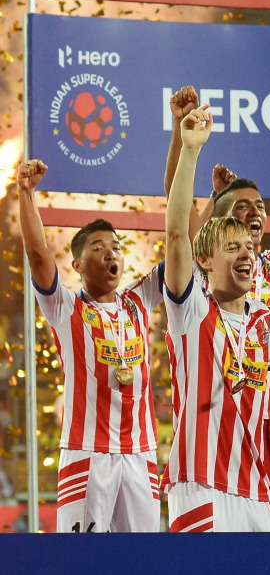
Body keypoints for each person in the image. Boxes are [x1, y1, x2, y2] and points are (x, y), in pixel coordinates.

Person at [164, 84, 270, 531]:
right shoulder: (192, 308)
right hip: (201, 481)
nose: (246, 253)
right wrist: (188, 148)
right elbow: (178, 232)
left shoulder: (261, 319)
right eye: (232, 246)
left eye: (249, 246)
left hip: (255, 483)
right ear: (206, 259)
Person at [19, 161, 165, 533]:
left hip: (141, 453)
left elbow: (183, 247)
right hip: (87, 454)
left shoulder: (139, 300)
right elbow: (37, 256)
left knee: (143, 558)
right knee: (81, 558)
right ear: (78, 264)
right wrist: (26, 193)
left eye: (116, 247)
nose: (111, 254)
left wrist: (212, 199)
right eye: (98, 248)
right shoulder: (66, 307)